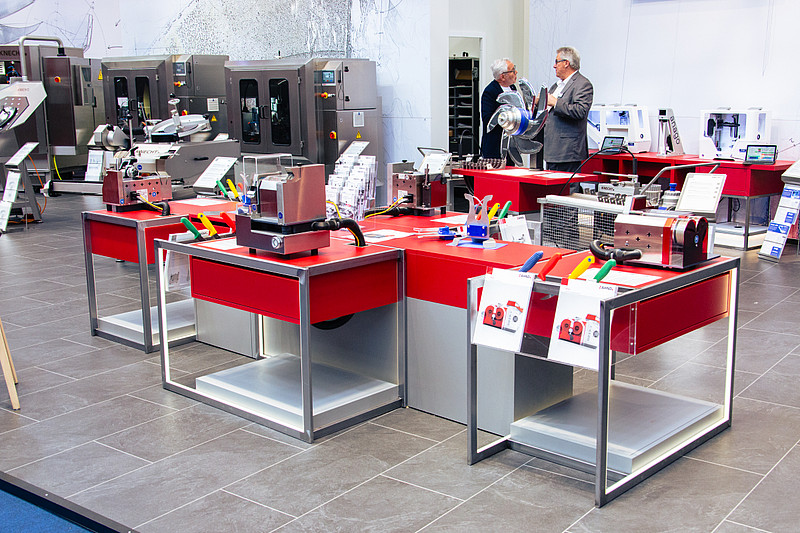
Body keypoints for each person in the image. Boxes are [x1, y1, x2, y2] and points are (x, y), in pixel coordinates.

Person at [537, 46, 593, 173]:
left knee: (567, 185)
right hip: (552, 150)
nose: (554, 66)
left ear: (566, 63)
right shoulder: (556, 86)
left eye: (557, 62)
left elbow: (580, 111)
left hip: (567, 151)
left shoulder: (582, 84)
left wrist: (555, 102)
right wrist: (539, 103)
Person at [480, 58, 517, 159]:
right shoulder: (490, 91)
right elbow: (488, 119)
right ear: (503, 76)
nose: (516, 72)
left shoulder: (513, 88)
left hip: (510, 145)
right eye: (513, 70)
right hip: (495, 146)